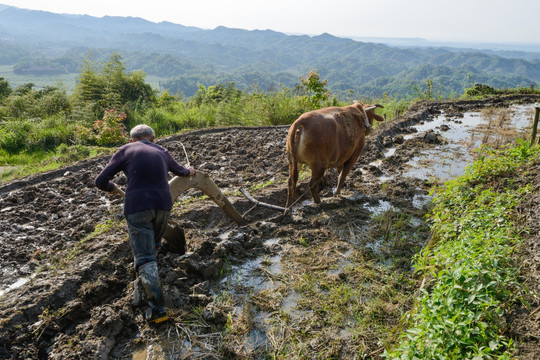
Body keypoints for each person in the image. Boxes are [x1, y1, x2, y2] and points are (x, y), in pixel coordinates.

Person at [95, 124, 196, 324]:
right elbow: (181, 171)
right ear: (153, 139)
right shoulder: (161, 150)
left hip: (137, 206)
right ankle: (148, 273)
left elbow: (100, 181)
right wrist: (190, 170)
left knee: (144, 256)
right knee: (154, 243)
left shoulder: (125, 150)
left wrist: (112, 187)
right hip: (163, 205)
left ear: (131, 140)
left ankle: (158, 311)